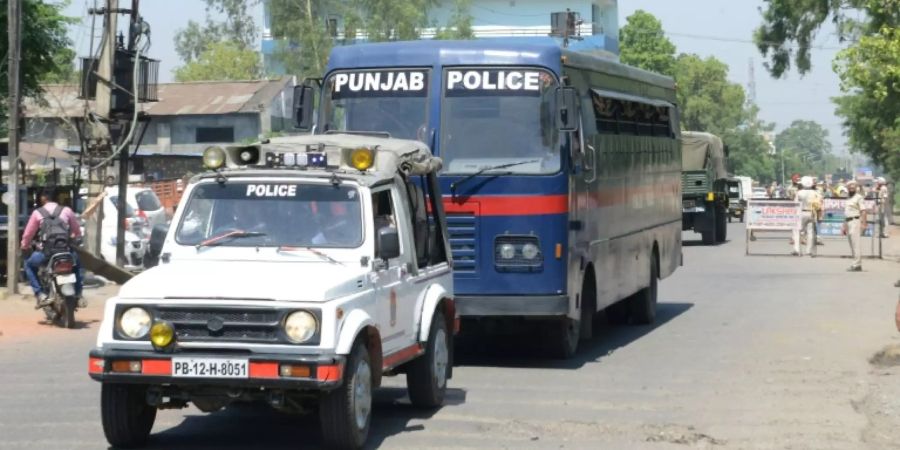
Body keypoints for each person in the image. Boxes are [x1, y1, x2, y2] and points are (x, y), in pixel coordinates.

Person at [20, 187, 83, 306]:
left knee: (28, 264)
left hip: (46, 253)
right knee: (77, 266)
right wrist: (74, 240)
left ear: (43, 198)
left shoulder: (38, 213)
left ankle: (40, 294)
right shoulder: (67, 210)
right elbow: (77, 231)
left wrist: (24, 246)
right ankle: (79, 294)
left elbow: (28, 234)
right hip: (66, 251)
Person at [793, 176, 821, 257]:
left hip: (801, 212)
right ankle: (808, 250)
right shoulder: (816, 193)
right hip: (812, 213)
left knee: (797, 231)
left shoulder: (799, 193)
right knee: (810, 232)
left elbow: (795, 204)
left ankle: (797, 249)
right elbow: (819, 204)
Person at [842, 180, 867, 272]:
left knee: (855, 243)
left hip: (855, 221)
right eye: (849, 187)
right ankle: (855, 262)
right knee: (851, 243)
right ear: (848, 189)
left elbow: (863, 211)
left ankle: (857, 264)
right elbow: (846, 213)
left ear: (855, 188)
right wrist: (844, 226)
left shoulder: (859, 197)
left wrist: (864, 223)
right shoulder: (848, 199)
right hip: (848, 222)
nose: (851, 188)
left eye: (853, 187)